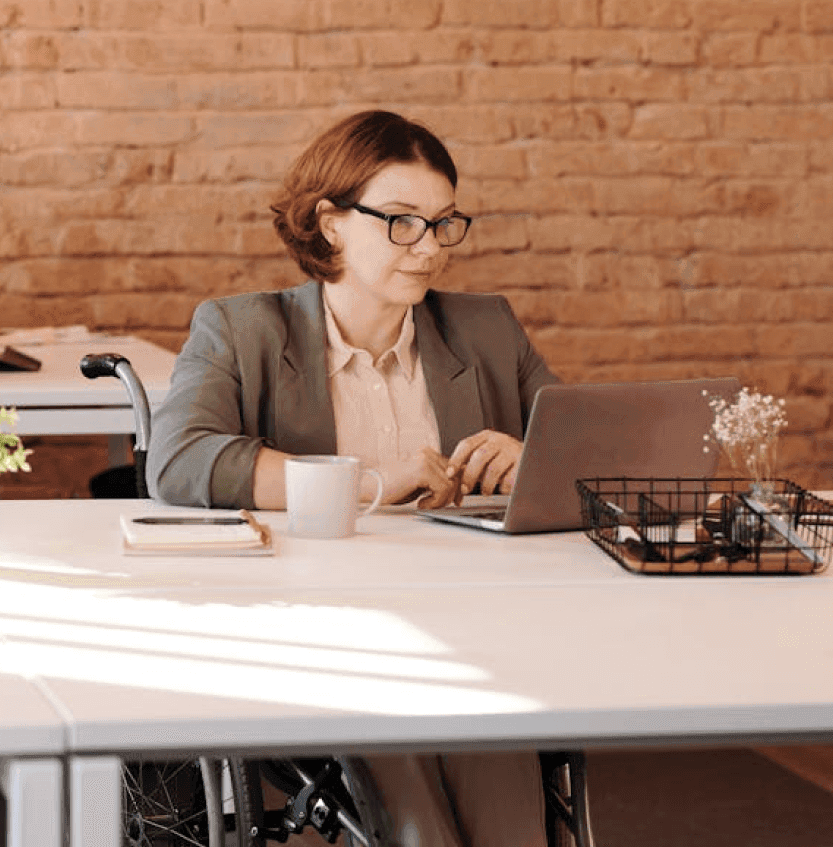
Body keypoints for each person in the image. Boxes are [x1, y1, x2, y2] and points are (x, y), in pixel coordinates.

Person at [148, 110, 558, 846]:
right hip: (323, 635)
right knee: (409, 743)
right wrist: (366, 480)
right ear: (330, 222)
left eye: (443, 223)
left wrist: (532, 459)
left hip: (473, 624)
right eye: (402, 222)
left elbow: (587, 454)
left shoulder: (486, 329)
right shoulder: (242, 330)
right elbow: (179, 460)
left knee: (488, 747)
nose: (429, 247)